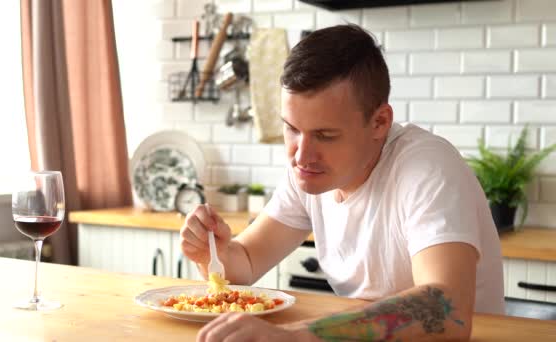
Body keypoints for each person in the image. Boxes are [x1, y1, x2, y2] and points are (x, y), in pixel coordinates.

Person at [180, 24, 505, 342]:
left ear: (379, 122)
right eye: (292, 128)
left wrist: (297, 335)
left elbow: (447, 310)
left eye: (325, 135)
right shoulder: (308, 171)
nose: (301, 155)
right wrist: (214, 253)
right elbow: (245, 265)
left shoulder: (428, 169)